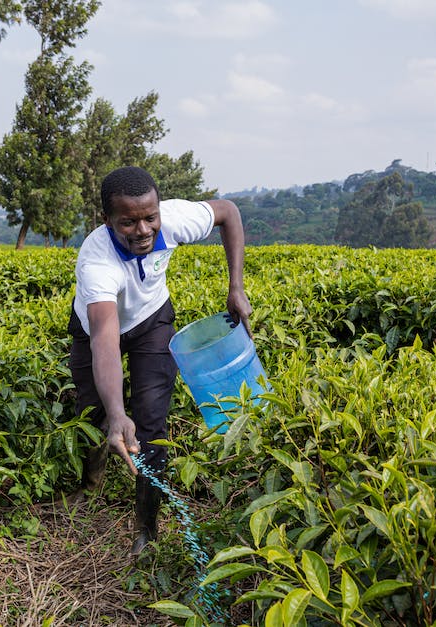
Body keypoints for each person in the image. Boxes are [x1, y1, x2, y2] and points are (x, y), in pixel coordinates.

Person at [67, 165, 251, 557]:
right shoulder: (96, 262)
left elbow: (228, 213)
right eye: (128, 222)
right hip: (96, 329)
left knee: (151, 421)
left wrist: (235, 287)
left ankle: (146, 528)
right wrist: (117, 411)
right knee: (93, 412)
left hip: (152, 321)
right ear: (107, 220)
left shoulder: (174, 219)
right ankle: (91, 480)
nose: (143, 230)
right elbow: (104, 339)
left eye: (150, 217)